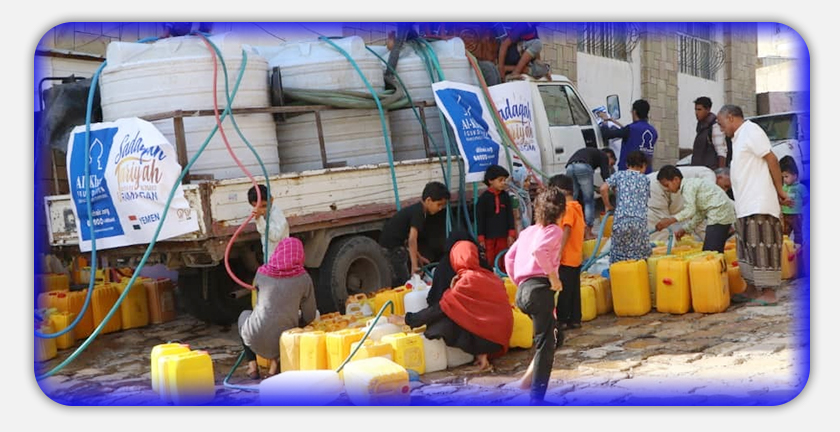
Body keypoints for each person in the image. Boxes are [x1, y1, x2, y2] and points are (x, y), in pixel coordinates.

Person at [390, 239, 513, 372]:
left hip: (489, 339)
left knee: (439, 326)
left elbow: (441, 308)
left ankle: (481, 352)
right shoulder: (490, 276)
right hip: (501, 340)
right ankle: (483, 356)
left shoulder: (467, 280)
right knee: (468, 317)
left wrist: (407, 319)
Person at [717, 104, 792, 306]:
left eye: (721, 124)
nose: (721, 129)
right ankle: (751, 289)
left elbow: (772, 159)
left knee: (763, 247)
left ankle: (769, 293)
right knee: (746, 249)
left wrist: (780, 190)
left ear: (731, 117)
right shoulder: (738, 138)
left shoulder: (751, 130)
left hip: (759, 203)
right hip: (745, 204)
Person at [504, 186, 566, 405]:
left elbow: (508, 258)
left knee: (555, 336)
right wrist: (553, 278)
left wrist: (520, 283)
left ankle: (526, 382)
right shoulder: (554, 230)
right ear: (562, 211)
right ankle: (536, 400)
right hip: (539, 289)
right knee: (545, 345)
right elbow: (539, 251)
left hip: (524, 291)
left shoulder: (527, 232)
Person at [238, 237, 317, 379]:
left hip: (255, 337)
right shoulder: (304, 278)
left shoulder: (261, 273)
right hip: (284, 341)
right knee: (290, 323)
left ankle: (253, 367)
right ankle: (274, 367)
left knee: (244, 315)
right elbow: (310, 315)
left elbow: (260, 305)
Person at [379, 181, 451, 286]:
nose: (440, 208)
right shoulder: (419, 213)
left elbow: (408, 238)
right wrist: (414, 265)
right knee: (402, 279)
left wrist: (419, 256)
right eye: (439, 204)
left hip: (391, 244)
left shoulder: (417, 210)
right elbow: (412, 239)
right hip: (393, 247)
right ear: (428, 200)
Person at [654, 165, 737, 253]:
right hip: (722, 215)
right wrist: (685, 229)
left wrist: (670, 220)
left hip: (719, 215)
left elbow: (689, 211)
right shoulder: (692, 185)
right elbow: (699, 214)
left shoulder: (688, 188)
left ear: (676, 179)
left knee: (711, 251)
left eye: (667, 185)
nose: (667, 189)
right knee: (713, 249)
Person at [599, 151, 651, 264]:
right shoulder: (645, 179)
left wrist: (608, 206)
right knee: (640, 256)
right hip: (639, 221)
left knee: (619, 255)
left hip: (621, 220)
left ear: (627, 164)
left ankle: (619, 273)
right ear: (644, 165)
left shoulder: (619, 175)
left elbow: (603, 188)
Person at [548, 175, 585, 331]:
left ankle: (562, 320)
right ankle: (575, 319)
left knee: (564, 290)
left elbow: (567, 229)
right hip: (575, 256)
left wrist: (559, 251)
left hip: (566, 256)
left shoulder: (568, 208)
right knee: (574, 290)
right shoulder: (577, 206)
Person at [564, 147, 617, 239]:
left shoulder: (590, 153)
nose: (610, 167)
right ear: (609, 156)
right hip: (583, 167)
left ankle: (568, 228)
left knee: (571, 200)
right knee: (589, 201)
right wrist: (613, 187)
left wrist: (597, 188)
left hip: (569, 167)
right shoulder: (603, 155)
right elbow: (605, 174)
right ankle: (588, 232)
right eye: (612, 164)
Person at [598, 100, 658, 174]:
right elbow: (627, 131)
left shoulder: (631, 129)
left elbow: (607, 134)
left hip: (628, 172)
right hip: (646, 172)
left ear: (634, 112)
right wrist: (613, 120)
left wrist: (604, 121)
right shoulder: (653, 131)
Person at [477, 165, 517, 272]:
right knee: (489, 260)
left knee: (503, 258)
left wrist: (511, 233)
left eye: (504, 180)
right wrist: (481, 238)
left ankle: (504, 276)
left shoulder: (505, 197)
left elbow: (510, 215)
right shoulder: (483, 199)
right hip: (488, 237)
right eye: (500, 180)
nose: (503, 183)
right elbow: (480, 219)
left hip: (503, 235)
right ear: (490, 181)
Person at [248, 184, 290, 263]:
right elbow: (262, 231)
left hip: (280, 259)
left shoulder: (276, 214)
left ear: (271, 200)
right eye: (257, 207)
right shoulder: (263, 216)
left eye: (264, 206)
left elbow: (275, 236)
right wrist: (258, 218)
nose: (262, 210)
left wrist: (259, 219)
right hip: (270, 257)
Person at [690, 96, 728, 170]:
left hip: (710, 170)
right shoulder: (701, 126)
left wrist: (721, 172)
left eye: (699, 109)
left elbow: (721, 152)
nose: (696, 113)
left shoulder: (715, 126)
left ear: (708, 109)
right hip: (699, 169)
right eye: (695, 109)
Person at [780, 157, 807, 246]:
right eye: (783, 177)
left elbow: (806, 199)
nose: (784, 179)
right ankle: (786, 246)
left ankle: (798, 245)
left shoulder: (800, 187)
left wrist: (799, 205)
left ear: (795, 176)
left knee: (797, 231)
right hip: (785, 215)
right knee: (785, 232)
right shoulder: (783, 188)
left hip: (796, 215)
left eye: (786, 176)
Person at [510, 165, 534, 233]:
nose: (528, 183)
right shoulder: (512, 196)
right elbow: (517, 219)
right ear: (518, 181)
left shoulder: (524, 194)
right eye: (525, 181)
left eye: (529, 180)